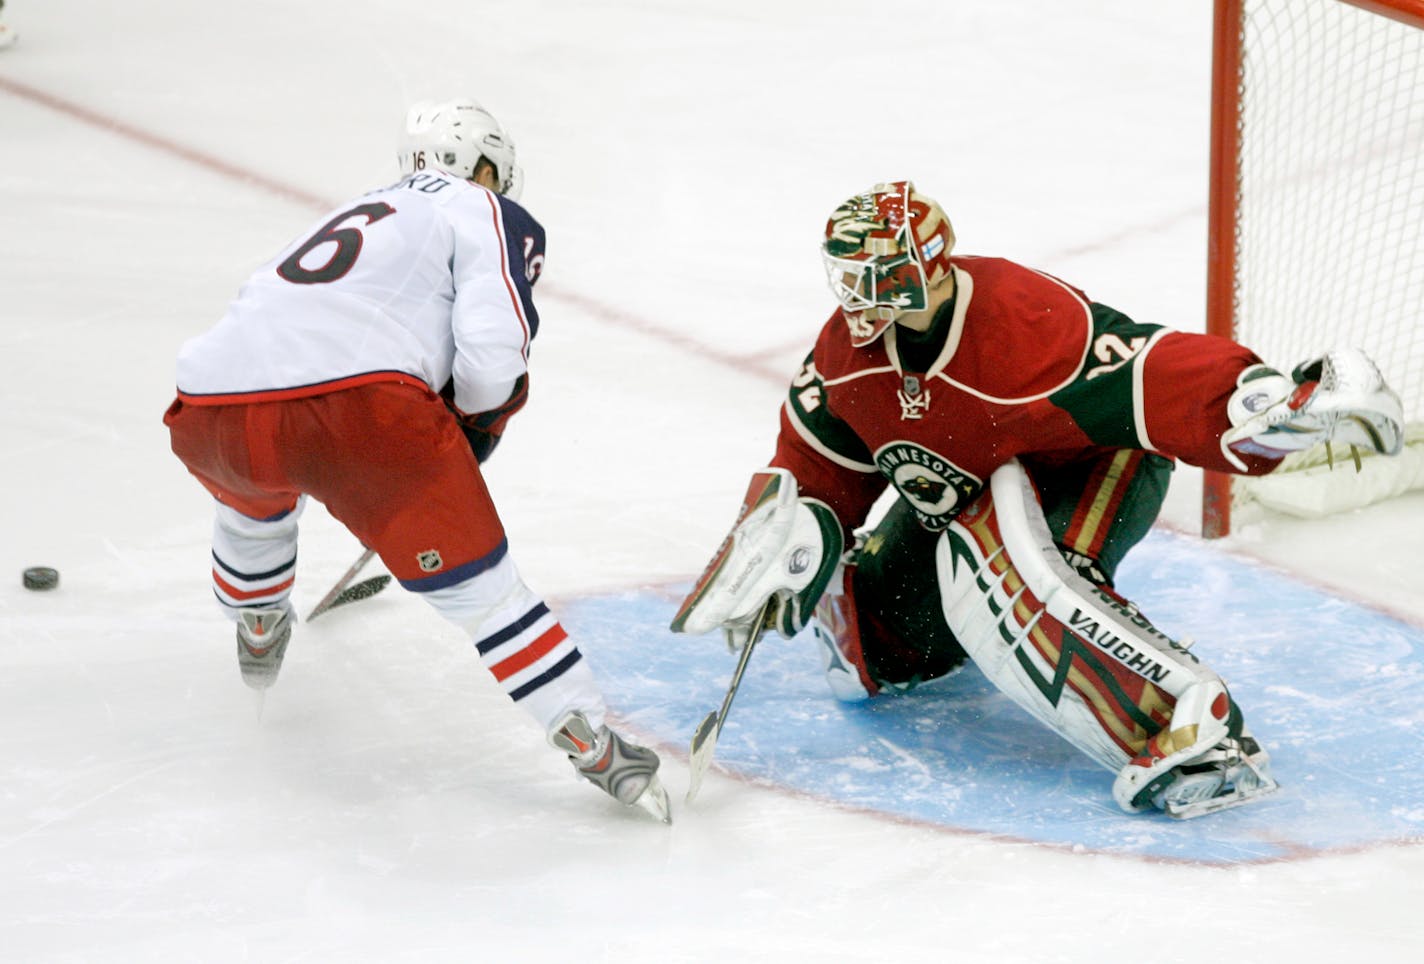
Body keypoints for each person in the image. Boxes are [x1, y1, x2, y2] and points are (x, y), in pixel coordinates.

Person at [671, 180, 1404, 818]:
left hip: (1088, 465)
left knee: (1002, 576)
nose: (861, 299)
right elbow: (818, 458)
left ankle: (1196, 731)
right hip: (966, 491)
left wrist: (1262, 400)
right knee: (879, 652)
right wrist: (793, 532)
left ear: (927, 268)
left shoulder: (1022, 323)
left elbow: (1149, 367)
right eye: (849, 276)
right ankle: (894, 615)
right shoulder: (847, 355)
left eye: (882, 277)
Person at [164, 97, 671, 823]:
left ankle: (255, 618)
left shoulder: (362, 206)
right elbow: (492, 355)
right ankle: (588, 737)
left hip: (211, 401)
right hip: (360, 412)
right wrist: (469, 428)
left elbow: (267, 312)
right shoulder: (482, 209)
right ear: (480, 166)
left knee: (253, 498)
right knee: (485, 593)